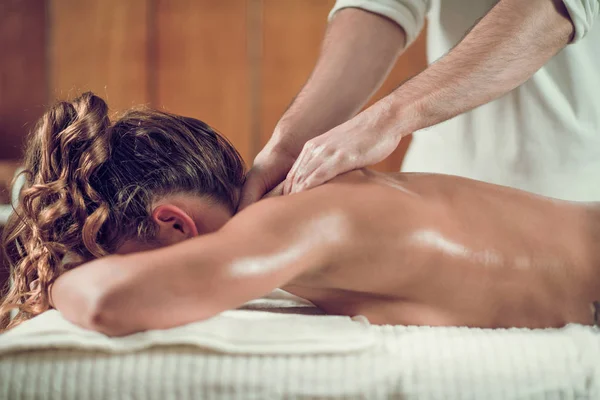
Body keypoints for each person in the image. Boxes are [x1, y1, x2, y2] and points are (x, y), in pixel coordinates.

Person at [1, 93, 598, 336]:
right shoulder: (299, 209)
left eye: (113, 256)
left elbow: (112, 304)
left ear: (176, 225)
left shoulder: (285, 220)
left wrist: (58, 277)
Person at [240, 0, 600, 209]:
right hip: (431, 187)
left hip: (571, 198)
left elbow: (555, 9)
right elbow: (383, 5)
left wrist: (386, 119)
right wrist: (289, 144)